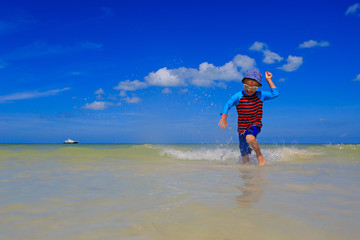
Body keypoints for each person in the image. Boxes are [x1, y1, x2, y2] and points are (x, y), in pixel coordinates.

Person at [218, 69, 279, 166]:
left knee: (250, 138)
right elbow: (227, 104)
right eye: (246, 86)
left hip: (255, 124)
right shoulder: (238, 96)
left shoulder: (260, 95)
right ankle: (247, 176)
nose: (249, 90)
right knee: (244, 157)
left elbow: (275, 94)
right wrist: (224, 117)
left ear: (258, 87)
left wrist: (269, 80)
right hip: (242, 128)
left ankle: (259, 156)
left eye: (253, 88)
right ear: (243, 83)